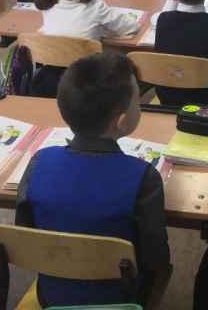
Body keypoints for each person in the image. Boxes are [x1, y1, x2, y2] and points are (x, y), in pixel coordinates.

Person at [15, 53, 170, 308]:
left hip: (51, 296)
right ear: (121, 121)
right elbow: (155, 258)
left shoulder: (39, 161)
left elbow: (26, 233)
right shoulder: (144, 178)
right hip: (121, 299)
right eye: (138, 102)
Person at [33, 0, 142, 96]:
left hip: (53, 79)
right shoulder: (95, 7)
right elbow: (131, 27)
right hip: (88, 81)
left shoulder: (47, 5)